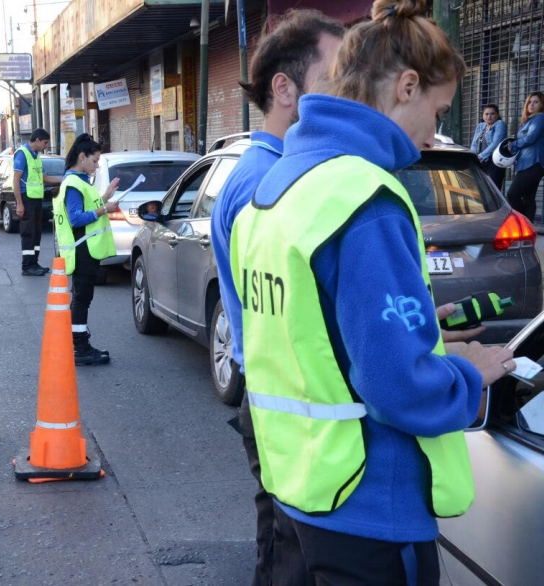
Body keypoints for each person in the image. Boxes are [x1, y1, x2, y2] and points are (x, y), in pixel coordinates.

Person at [229, 1, 516, 583]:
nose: (432, 133)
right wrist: (471, 374)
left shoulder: (277, 184)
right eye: (436, 110)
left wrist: (415, 330)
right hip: (371, 512)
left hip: (300, 495)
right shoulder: (366, 197)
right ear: (406, 86)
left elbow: (307, 336)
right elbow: (398, 387)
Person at [209, 10, 345, 586]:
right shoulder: (269, 182)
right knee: (287, 556)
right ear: (284, 89)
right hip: (284, 404)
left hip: (283, 402)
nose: (351, 89)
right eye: (336, 76)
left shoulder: (274, 172)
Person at [52, 133, 119, 366]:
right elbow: (76, 218)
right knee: (81, 301)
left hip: (85, 251)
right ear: (82, 157)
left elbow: (85, 208)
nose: (97, 165)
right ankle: (80, 349)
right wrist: (104, 209)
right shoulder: (73, 183)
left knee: (80, 300)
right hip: (83, 252)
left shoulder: (77, 181)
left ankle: (79, 345)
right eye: (95, 160)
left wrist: (105, 197)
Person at [14, 128, 62, 276]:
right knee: (28, 233)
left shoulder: (35, 156)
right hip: (26, 199)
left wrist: (66, 178)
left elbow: (44, 178)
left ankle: (34, 263)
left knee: (36, 233)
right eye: (45, 143)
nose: (46, 146)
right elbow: (16, 180)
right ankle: (27, 266)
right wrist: (19, 204)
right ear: (37, 140)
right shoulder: (23, 154)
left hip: (35, 200)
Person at [505, 91, 544, 222]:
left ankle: (523, 222)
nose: (531, 105)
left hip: (533, 163)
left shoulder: (540, 118)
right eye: (530, 102)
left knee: (512, 195)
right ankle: (528, 226)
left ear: (541, 105)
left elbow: (531, 138)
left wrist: (514, 144)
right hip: (526, 163)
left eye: (536, 102)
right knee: (528, 198)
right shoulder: (528, 121)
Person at [470, 103, 508, 191]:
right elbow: (474, 144)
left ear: (497, 115)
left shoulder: (499, 124)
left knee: (493, 190)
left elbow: (496, 143)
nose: (489, 116)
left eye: (492, 114)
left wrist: (480, 156)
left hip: (494, 161)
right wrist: (473, 156)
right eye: (486, 114)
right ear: (483, 115)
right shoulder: (480, 126)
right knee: (480, 190)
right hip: (481, 162)